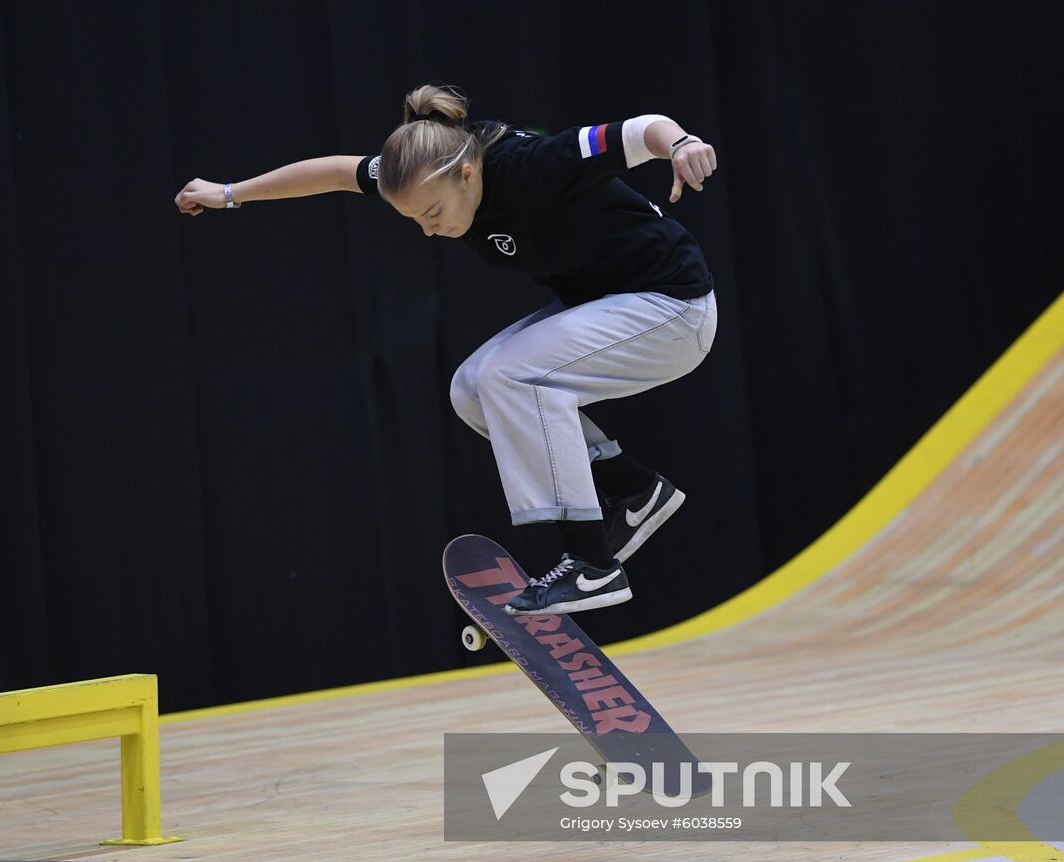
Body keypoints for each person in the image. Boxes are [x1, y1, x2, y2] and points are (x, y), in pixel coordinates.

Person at [175, 84, 718, 617]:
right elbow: (337, 172)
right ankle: (635, 490)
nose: (430, 231)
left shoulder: (533, 163)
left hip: (673, 308)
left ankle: (592, 564)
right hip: (615, 307)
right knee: (472, 389)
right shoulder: (431, 163)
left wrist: (682, 144)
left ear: (467, 174)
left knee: (511, 376)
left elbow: (641, 130)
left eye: (432, 213)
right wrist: (228, 193)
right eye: (414, 221)